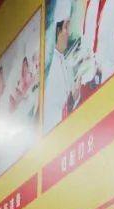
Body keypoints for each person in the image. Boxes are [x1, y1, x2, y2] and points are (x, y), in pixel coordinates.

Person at [44, 0, 80, 128]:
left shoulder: (61, 57)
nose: (68, 33)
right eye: (66, 27)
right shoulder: (50, 68)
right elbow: (53, 116)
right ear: (57, 31)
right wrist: (72, 98)